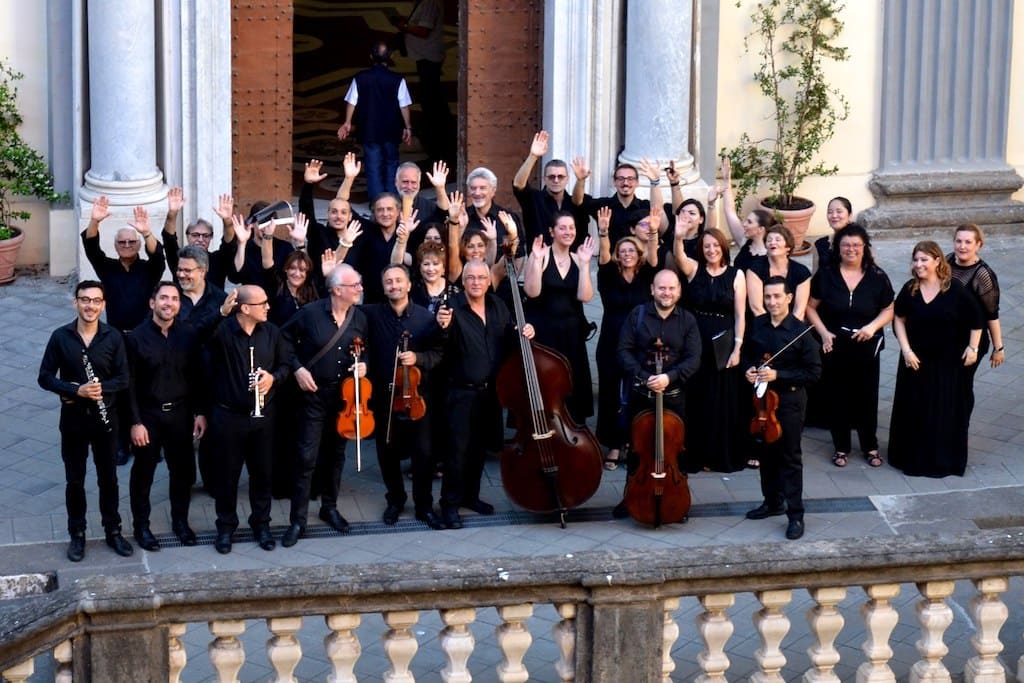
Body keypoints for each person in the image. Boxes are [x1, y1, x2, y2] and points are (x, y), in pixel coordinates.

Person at [435, 260, 535, 530]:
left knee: (479, 450)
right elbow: (438, 344)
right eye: (470, 278)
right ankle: (450, 505)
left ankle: (471, 496)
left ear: (489, 281)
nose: (476, 282)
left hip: (491, 393)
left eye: (481, 277)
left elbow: (508, 339)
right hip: (460, 393)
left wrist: (524, 332)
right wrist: (441, 327)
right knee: (457, 452)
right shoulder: (451, 309)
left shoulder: (497, 306)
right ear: (463, 281)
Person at [38, 280, 133, 561]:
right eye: (84, 300)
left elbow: (124, 378)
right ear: (75, 303)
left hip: (107, 419)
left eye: (95, 300)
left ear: (103, 305)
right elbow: (44, 377)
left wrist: (100, 388)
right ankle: (77, 535)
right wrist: (74, 390)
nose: (90, 305)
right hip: (73, 420)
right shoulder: (60, 336)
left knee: (109, 479)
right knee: (75, 481)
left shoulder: (114, 337)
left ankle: (113, 532)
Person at [279, 264, 368, 547]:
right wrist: (297, 368)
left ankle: (329, 507)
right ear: (337, 290)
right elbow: (283, 339)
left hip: (345, 398)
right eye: (355, 285)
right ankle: (298, 519)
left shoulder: (360, 318)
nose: (360, 289)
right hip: (313, 396)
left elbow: (369, 350)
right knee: (306, 457)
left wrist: (365, 365)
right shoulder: (310, 314)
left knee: (336, 454)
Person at [206, 284, 291, 554]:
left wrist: (273, 378)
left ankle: (261, 524)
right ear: (244, 308)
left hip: (263, 417)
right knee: (227, 476)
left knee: (262, 474)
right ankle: (225, 527)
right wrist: (220, 313)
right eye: (262, 303)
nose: (268, 306)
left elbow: (286, 365)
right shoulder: (222, 332)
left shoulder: (272, 332)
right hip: (228, 416)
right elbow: (197, 336)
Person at [889, 241, 983, 478]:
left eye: (924, 260)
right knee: (914, 409)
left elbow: (977, 320)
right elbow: (898, 318)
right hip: (915, 361)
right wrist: (906, 350)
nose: (918, 264)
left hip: (946, 363)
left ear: (937, 261)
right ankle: (910, 457)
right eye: (916, 260)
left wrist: (973, 348)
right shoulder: (910, 289)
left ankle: (940, 460)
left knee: (941, 411)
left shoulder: (955, 290)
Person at [613, 269, 702, 518]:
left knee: (677, 450)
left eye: (672, 288)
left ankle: (678, 498)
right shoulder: (637, 315)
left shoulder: (687, 321)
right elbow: (623, 351)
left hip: (674, 395)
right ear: (652, 289)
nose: (667, 293)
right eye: (662, 288)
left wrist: (668, 377)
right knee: (635, 450)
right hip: (642, 393)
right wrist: (644, 376)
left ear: (679, 291)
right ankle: (630, 496)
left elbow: (694, 358)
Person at [126, 282, 206, 551]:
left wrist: (199, 413)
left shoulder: (188, 335)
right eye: (163, 298)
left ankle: (180, 523)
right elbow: (130, 385)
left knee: (182, 473)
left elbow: (196, 377)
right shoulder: (135, 338)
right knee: (143, 474)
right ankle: (142, 527)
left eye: (174, 299)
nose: (168, 303)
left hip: (181, 414)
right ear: (152, 303)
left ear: (179, 305)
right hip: (148, 416)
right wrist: (135, 422)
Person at [364, 264, 446, 529]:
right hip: (384, 396)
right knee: (386, 453)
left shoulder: (425, 318)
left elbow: (439, 354)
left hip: (417, 399)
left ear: (410, 285)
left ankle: (424, 505)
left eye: (399, 280)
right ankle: (395, 501)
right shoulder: (371, 315)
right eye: (388, 281)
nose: (394, 285)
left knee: (423, 454)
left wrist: (418, 358)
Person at [806, 225, 894, 468]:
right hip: (835, 345)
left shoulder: (877, 276)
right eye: (846, 245)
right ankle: (841, 447)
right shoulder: (826, 275)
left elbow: (889, 309)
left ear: (864, 247)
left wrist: (873, 327)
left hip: (866, 346)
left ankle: (870, 446)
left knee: (867, 397)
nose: (851, 249)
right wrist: (823, 333)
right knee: (839, 397)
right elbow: (810, 307)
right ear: (838, 248)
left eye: (856, 245)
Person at [743, 276, 821, 540]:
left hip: (789, 403)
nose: (772, 302)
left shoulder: (801, 333)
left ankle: (796, 515)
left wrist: (779, 376)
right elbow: (749, 355)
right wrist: (750, 370)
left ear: (789, 298)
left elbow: (813, 373)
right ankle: (772, 502)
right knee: (766, 454)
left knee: (789, 458)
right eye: (768, 297)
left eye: (777, 297)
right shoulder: (759, 326)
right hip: (762, 402)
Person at [673, 228, 748, 473]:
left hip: (724, 341)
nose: (711, 250)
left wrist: (737, 347)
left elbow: (740, 314)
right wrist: (678, 236)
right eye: (707, 246)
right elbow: (679, 256)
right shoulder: (694, 269)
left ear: (724, 247)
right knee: (697, 399)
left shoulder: (736, 275)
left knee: (722, 400)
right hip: (696, 339)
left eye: (716, 245)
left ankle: (719, 455)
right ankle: (697, 454)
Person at [595, 206, 658, 469]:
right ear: (617, 256)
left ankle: (634, 441)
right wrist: (603, 232)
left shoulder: (647, 276)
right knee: (610, 393)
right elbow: (603, 256)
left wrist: (653, 232)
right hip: (611, 340)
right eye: (623, 252)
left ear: (639, 254)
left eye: (632, 250)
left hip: (640, 343)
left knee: (637, 392)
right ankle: (613, 444)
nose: (627, 254)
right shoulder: (608, 274)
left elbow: (654, 258)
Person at [523, 212, 596, 422]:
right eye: (562, 228)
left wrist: (584, 265)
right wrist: (536, 261)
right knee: (546, 384)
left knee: (573, 385)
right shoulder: (541, 254)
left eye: (571, 228)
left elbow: (585, 296)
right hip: (545, 332)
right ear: (551, 232)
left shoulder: (577, 258)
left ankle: (571, 436)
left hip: (572, 334)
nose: (568, 232)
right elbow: (532, 292)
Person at [337, 41, 413, 202]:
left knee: (372, 166)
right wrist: (408, 127)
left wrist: (347, 122)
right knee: (392, 164)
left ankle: (377, 203)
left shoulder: (360, 78)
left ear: (371, 57)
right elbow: (404, 106)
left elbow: (352, 101)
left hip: (369, 129)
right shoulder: (397, 79)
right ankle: (392, 201)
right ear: (391, 57)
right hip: (392, 130)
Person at [81, 197, 167, 332]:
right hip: (115, 334)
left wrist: (146, 233)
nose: (127, 245)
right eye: (122, 242)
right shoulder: (107, 267)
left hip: (145, 333)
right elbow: (91, 247)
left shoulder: (149, 269)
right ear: (115, 246)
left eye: (131, 242)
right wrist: (95, 221)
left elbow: (157, 256)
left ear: (139, 245)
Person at [948, 223, 1005, 426]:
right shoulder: (946, 262)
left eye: (968, 242)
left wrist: (999, 348)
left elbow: (992, 314)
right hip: (947, 338)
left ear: (978, 245)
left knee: (961, 385)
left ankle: (960, 425)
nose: (962, 246)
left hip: (972, 341)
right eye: (959, 241)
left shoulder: (983, 274)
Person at [390, 0, 452, 163]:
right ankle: (438, 138)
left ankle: (438, 142)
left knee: (432, 99)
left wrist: (404, 27)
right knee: (431, 96)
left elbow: (424, 30)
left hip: (428, 55)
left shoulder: (430, 2)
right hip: (425, 55)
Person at [512, 130, 588, 247]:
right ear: (544, 179)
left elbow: (578, 202)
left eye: (560, 177)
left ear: (567, 179)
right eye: (551, 177)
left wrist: (581, 180)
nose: (556, 180)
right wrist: (533, 156)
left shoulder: (573, 201)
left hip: (570, 262)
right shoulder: (534, 199)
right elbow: (518, 184)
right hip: (540, 261)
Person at [162, 187, 234, 289]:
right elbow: (169, 238)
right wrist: (172, 213)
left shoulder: (218, 260)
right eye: (195, 235)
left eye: (205, 236)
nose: (200, 239)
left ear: (211, 237)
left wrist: (227, 221)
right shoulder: (179, 259)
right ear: (187, 235)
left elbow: (229, 242)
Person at [716, 157, 770, 272]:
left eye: (749, 222)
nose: (744, 224)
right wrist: (727, 182)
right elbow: (730, 211)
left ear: (761, 229)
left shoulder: (771, 254)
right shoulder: (745, 241)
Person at [747, 225, 811, 321]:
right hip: (762, 324)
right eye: (769, 240)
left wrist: (788, 330)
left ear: (788, 247)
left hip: (792, 327)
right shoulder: (755, 269)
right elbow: (757, 308)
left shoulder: (801, 272)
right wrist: (772, 330)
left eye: (777, 240)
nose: (772, 242)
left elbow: (799, 311)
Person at [581, 163, 651, 245]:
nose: (625, 183)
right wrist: (580, 180)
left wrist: (655, 181)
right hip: (609, 257)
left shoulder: (645, 207)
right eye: (621, 179)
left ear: (637, 182)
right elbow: (578, 202)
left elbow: (659, 210)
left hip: (639, 257)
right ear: (614, 182)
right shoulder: (603, 206)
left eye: (630, 179)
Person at [813, 196, 853, 272]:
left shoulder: (858, 243)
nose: (834, 216)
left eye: (839, 211)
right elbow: (816, 275)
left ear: (849, 215)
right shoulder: (820, 244)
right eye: (830, 212)